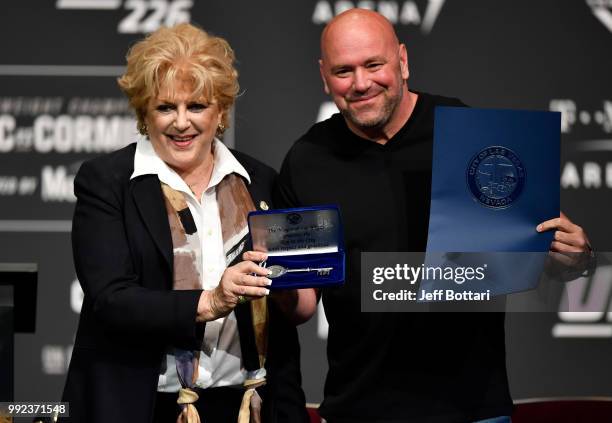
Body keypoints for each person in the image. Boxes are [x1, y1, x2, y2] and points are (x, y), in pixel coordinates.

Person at [275, 9, 592, 423]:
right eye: (343, 71)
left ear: (402, 61)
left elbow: (537, 251)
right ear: (323, 75)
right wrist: (275, 280)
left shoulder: (467, 132)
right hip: (359, 408)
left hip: (472, 408)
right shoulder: (307, 159)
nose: (361, 83)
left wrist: (573, 257)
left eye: (374, 64)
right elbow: (301, 305)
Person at [61, 23, 309, 423]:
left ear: (221, 111)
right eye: (165, 107)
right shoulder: (108, 181)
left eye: (196, 106)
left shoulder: (259, 181)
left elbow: (290, 309)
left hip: (249, 406)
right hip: (141, 407)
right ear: (144, 112)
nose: (181, 122)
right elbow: (111, 298)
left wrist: (290, 281)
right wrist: (210, 301)